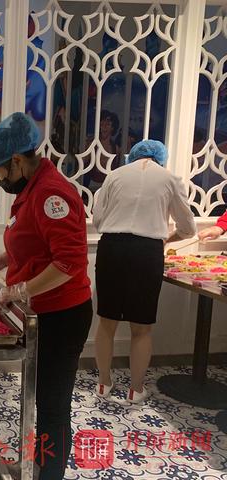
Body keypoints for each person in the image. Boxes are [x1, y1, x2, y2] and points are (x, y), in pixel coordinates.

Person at [0, 112, 92, 480]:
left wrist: (21, 289)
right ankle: (38, 466)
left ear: (17, 161)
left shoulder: (51, 194)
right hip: (41, 313)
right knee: (40, 398)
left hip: (63, 315)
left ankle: (49, 473)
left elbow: (69, 262)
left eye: (0, 175)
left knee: (53, 405)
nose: (0, 182)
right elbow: (37, 243)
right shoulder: (32, 189)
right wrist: (6, 258)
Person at [92, 140, 196, 404]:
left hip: (112, 248)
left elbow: (98, 220)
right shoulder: (170, 179)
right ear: (161, 157)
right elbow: (188, 228)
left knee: (106, 322)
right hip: (147, 251)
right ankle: (135, 389)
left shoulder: (114, 175)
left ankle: (103, 383)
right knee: (141, 328)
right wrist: (166, 239)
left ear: (133, 155)